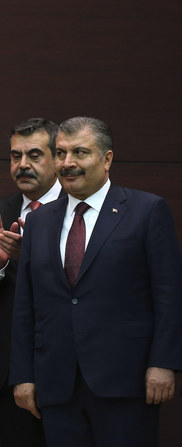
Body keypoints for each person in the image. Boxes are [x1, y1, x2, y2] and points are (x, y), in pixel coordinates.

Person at [10, 116, 182, 447]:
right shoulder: (39, 220)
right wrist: (23, 375)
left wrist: (164, 363)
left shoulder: (147, 211)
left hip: (126, 381)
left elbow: (169, 295)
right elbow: (25, 305)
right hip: (57, 383)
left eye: (80, 153)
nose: (67, 163)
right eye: (60, 153)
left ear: (107, 159)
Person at [0, 118, 62, 446]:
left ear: (56, 157)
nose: (23, 165)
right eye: (15, 156)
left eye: (34, 155)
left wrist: (31, 258)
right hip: (9, 368)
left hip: (70, 365)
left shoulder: (76, 210)